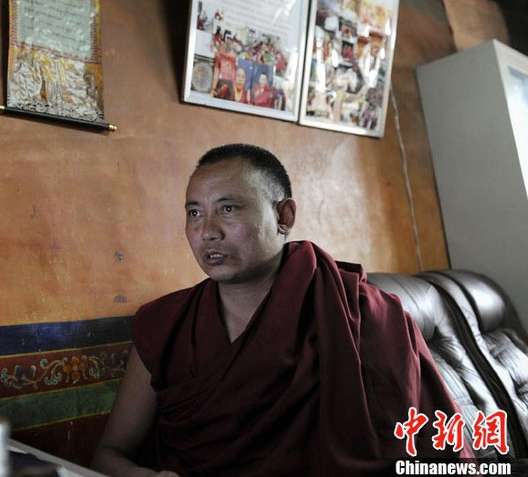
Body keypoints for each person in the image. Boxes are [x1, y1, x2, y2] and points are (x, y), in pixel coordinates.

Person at [91, 144, 472, 477]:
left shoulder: (361, 312)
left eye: (228, 208)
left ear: (284, 217)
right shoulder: (165, 323)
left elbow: (435, 453)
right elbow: (109, 455)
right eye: (194, 213)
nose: (207, 231)